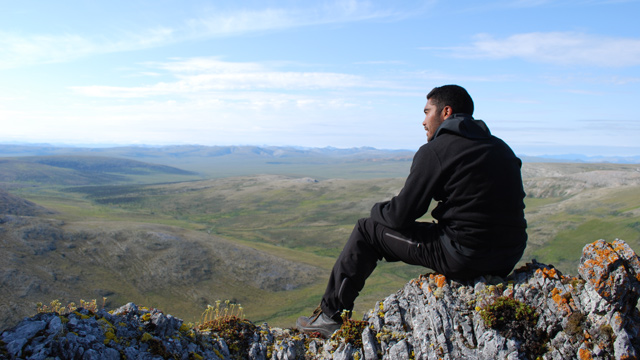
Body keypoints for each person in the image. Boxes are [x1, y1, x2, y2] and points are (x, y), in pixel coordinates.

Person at [296, 85, 528, 338]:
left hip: (465, 255)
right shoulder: (501, 147)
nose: (423, 121)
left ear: (446, 112)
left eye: (427, 111)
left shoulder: (437, 150)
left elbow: (401, 215)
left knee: (367, 230)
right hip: (509, 255)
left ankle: (330, 317)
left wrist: (377, 210)